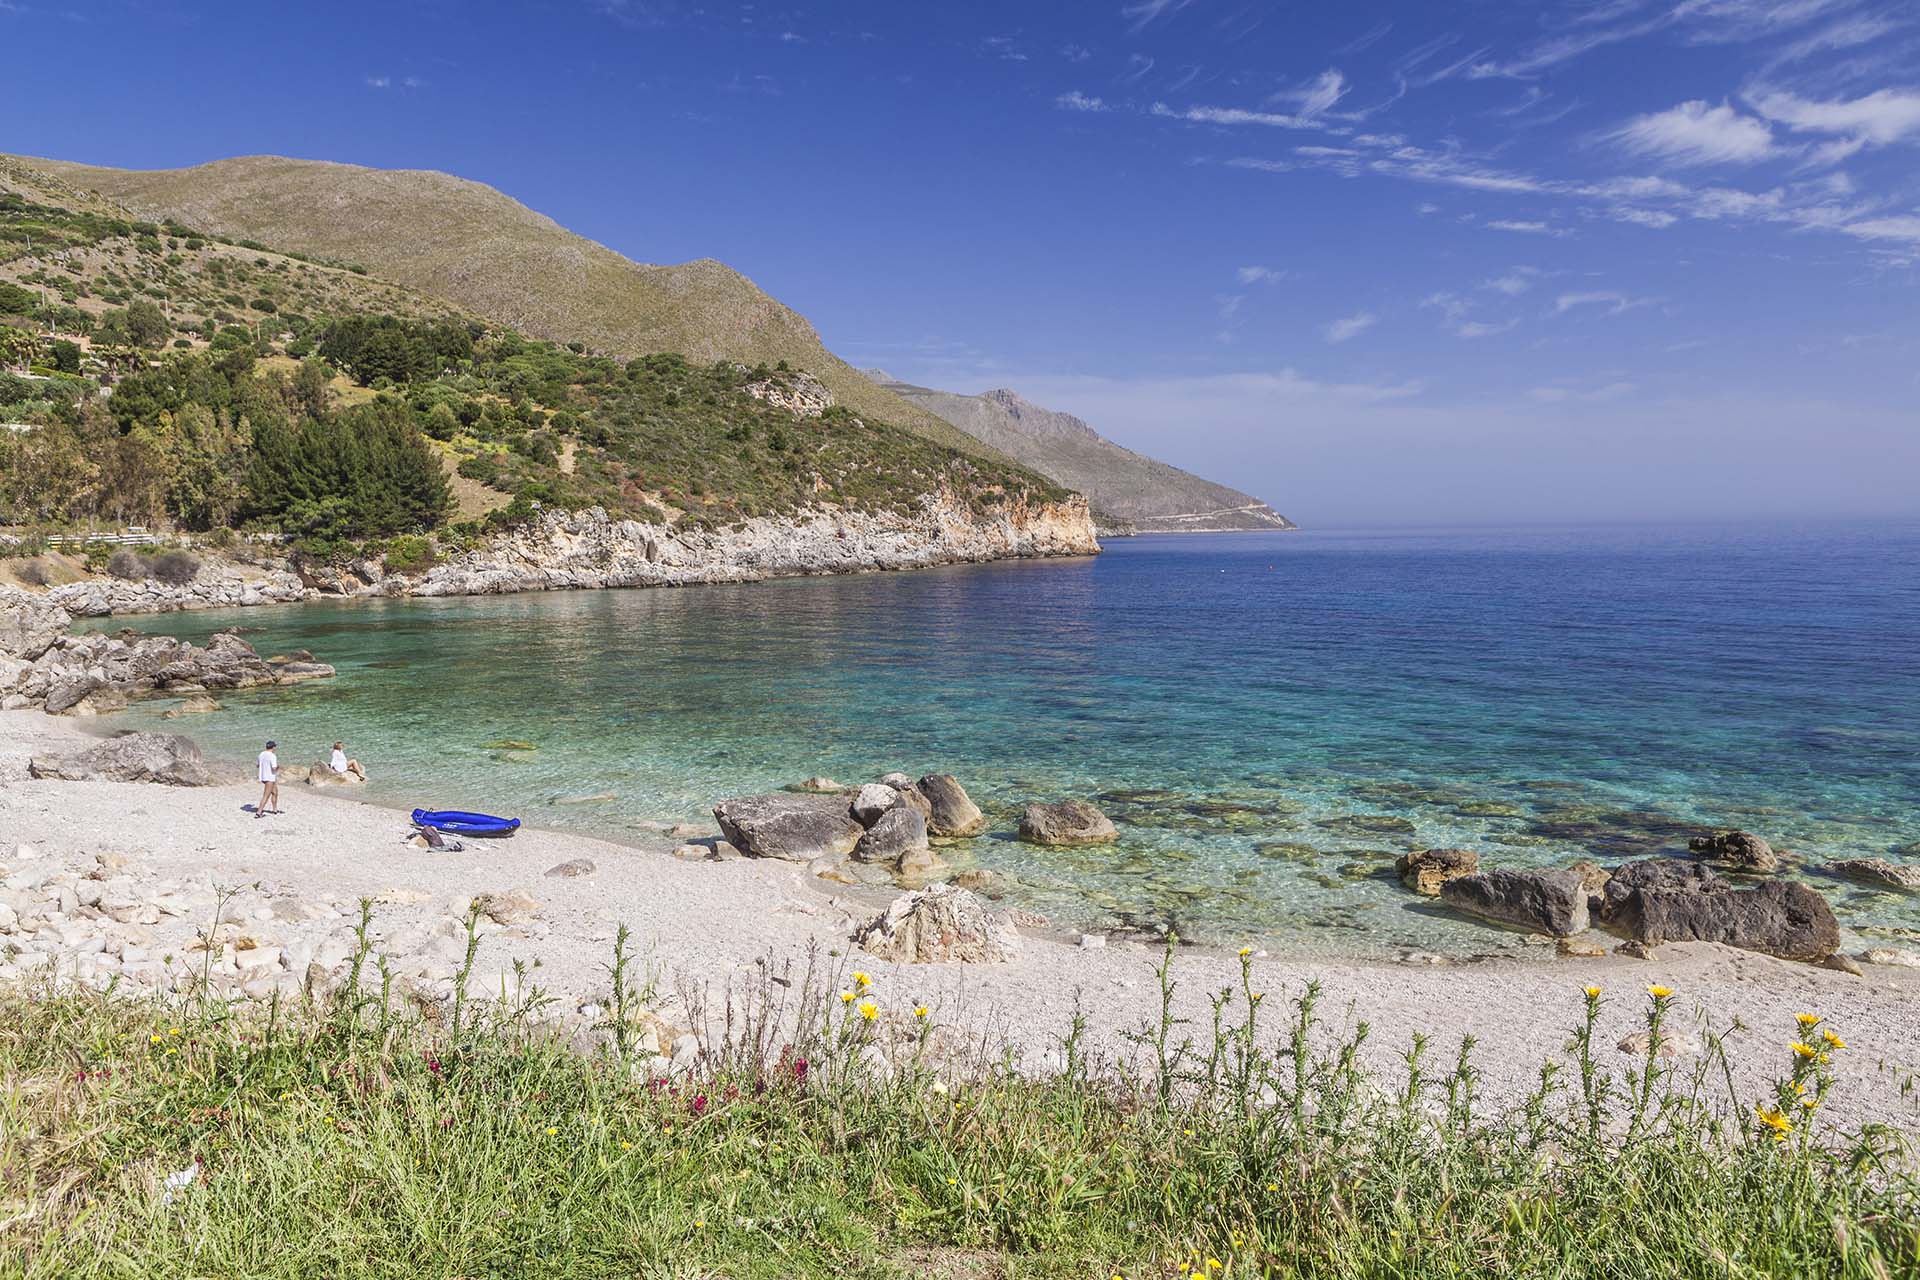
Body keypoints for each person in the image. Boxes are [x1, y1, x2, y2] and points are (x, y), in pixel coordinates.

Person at [256, 739, 280, 817]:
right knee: (266, 795)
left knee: (275, 792)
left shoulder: (261, 754)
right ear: (273, 747)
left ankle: (275, 810)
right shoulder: (272, 756)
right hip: (270, 778)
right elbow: (274, 768)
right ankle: (259, 812)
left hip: (263, 776)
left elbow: (258, 765)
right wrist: (278, 767)